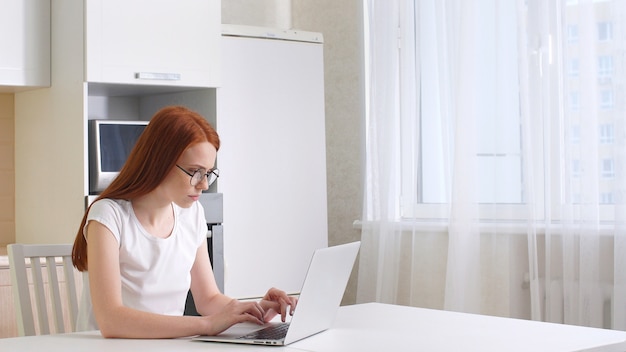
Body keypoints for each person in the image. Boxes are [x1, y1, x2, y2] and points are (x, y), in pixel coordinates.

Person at [71, 105, 297, 338]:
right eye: (194, 171)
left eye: (208, 172)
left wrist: (257, 311)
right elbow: (112, 321)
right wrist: (207, 325)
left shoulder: (191, 214)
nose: (204, 184)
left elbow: (208, 299)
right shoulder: (108, 216)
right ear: (160, 162)